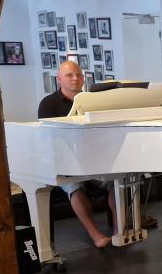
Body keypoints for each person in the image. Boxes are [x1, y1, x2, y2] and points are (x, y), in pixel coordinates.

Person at [38, 60, 117, 249]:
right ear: (59, 80)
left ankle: (118, 229)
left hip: (92, 158)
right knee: (75, 188)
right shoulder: (48, 104)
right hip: (64, 161)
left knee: (117, 182)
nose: (75, 78)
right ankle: (95, 234)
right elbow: (48, 139)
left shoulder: (92, 101)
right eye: (69, 75)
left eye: (79, 75)